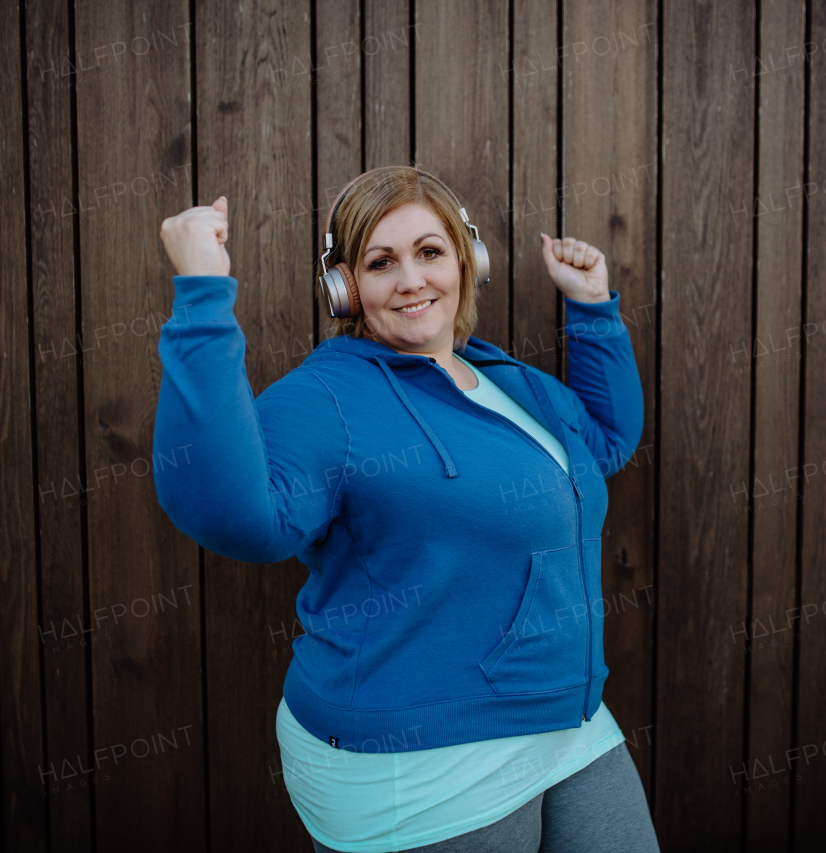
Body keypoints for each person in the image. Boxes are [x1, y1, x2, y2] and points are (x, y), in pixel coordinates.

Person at [154, 166, 658, 852]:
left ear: (466, 259)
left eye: (429, 252)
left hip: (565, 716)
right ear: (345, 286)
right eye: (380, 262)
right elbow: (232, 516)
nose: (412, 279)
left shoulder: (504, 378)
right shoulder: (328, 399)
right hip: (417, 751)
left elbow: (604, 442)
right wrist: (203, 299)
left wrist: (593, 307)